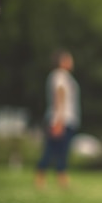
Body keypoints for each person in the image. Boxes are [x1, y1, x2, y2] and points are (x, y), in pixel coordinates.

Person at [35, 50, 81, 189]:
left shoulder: (66, 77)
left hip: (68, 119)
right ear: (61, 61)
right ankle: (40, 177)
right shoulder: (59, 75)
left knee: (62, 151)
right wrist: (58, 121)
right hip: (61, 119)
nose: (71, 61)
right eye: (68, 58)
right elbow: (59, 98)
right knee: (51, 149)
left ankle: (62, 179)